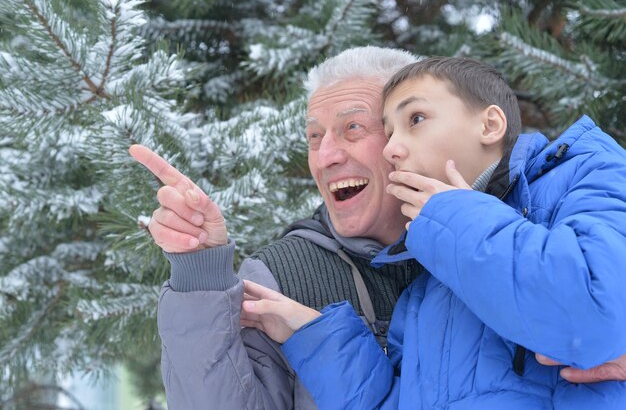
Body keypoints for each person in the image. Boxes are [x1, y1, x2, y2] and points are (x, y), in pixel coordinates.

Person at [239, 57, 626, 409]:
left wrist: (450, 215)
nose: (392, 150)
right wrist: (315, 334)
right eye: (388, 134)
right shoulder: (428, 283)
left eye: (416, 119)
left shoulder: (586, 171)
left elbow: (593, 316)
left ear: (489, 124)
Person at [130, 46, 423, 409]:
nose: (326, 156)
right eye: (315, 136)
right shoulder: (284, 277)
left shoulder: (484, 250)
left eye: (353, 127)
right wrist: (200, 272)